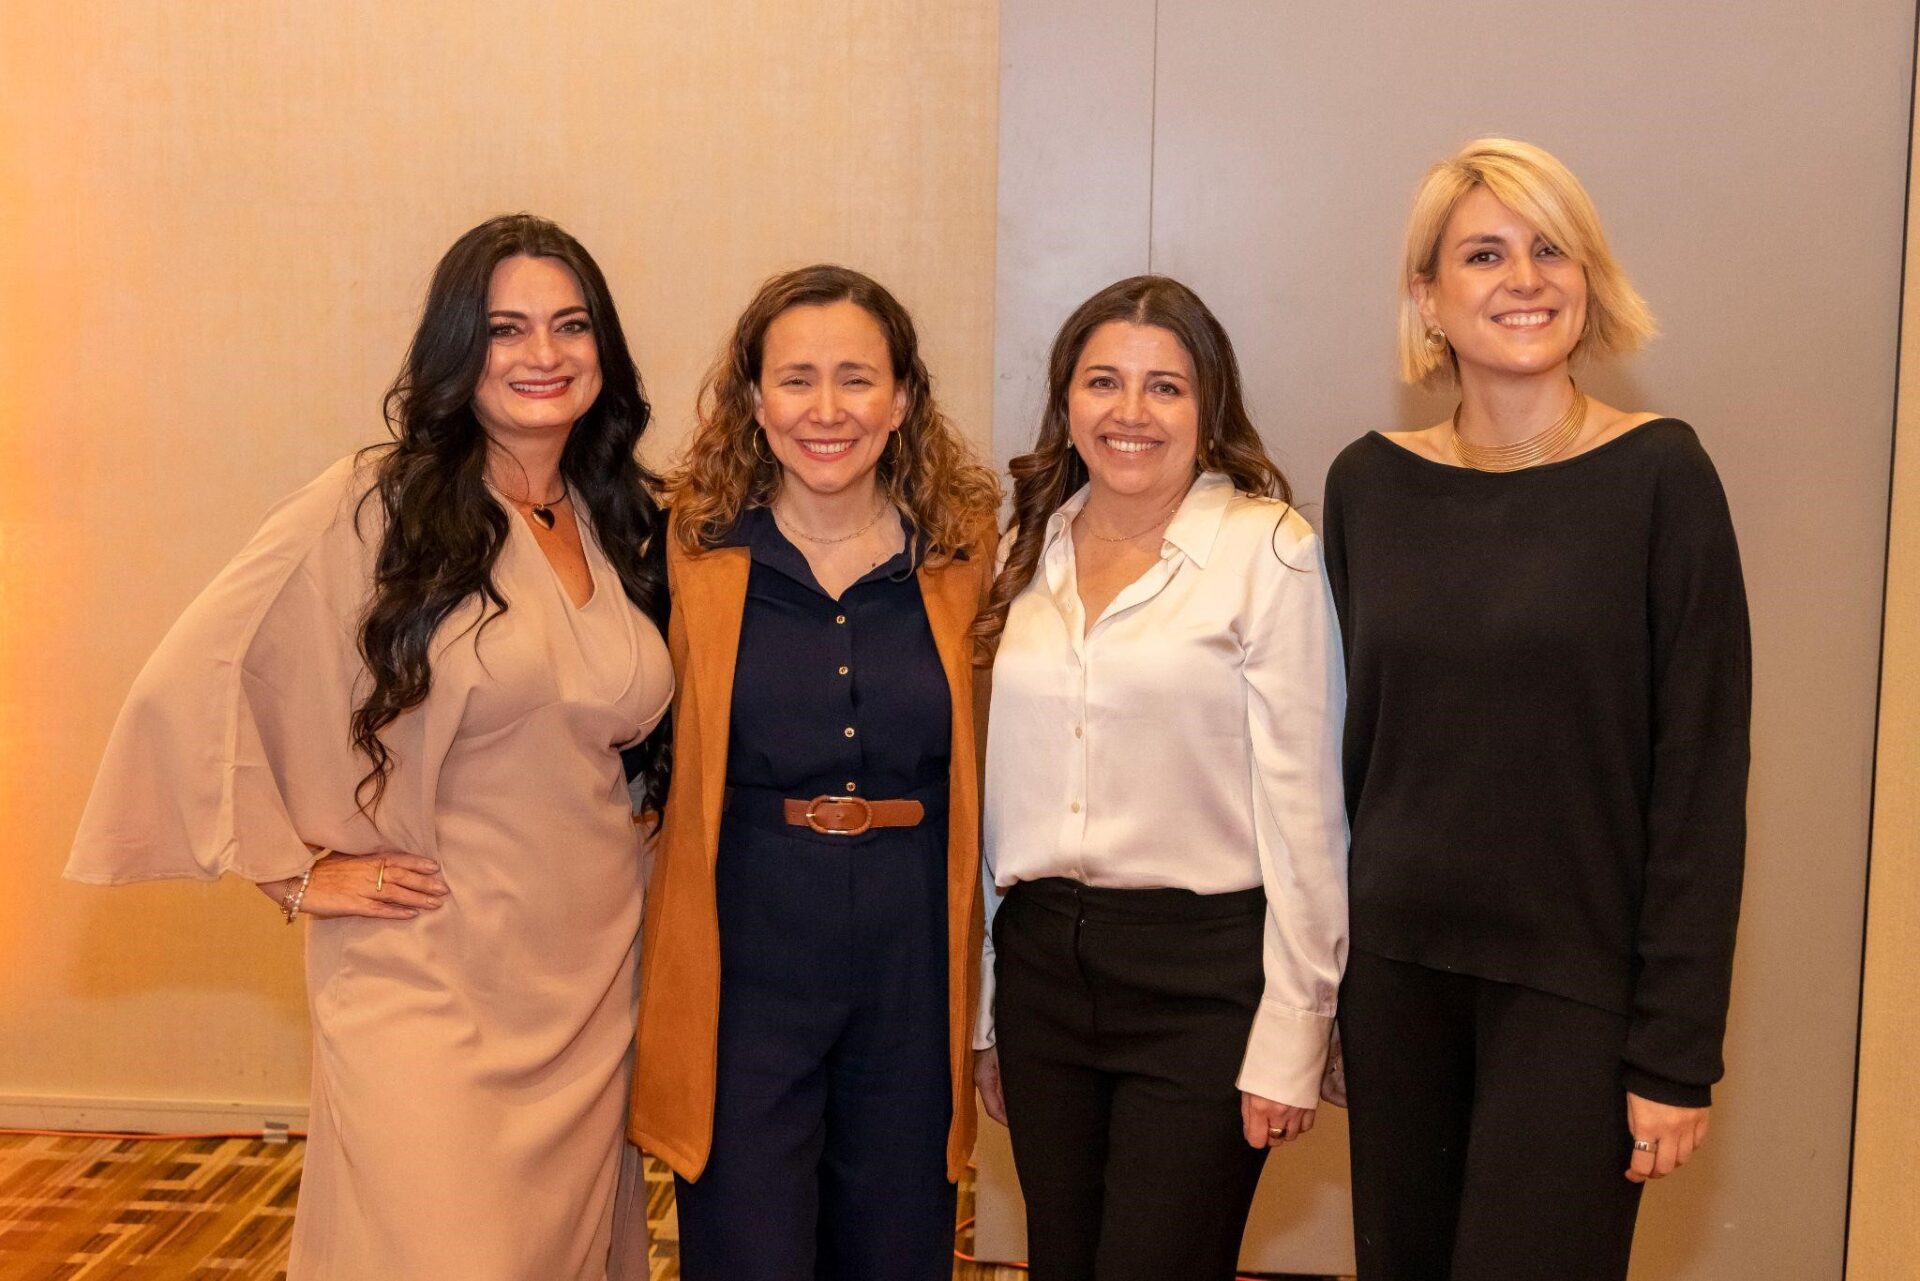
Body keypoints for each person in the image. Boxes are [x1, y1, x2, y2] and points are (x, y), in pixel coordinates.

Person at [65, 214, 672, 1280]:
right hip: (425, 967)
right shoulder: (372, 502)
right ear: (455, 348)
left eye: (571, 326)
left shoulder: (621, 516)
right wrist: (293, 874)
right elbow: (200, 673)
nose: (543, 354)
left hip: (589, 973)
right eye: (505, 329)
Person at [1323, 138, 1752, 1281]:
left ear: (1589, 277)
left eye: (1551, 248)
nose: (1525, 278)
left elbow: (1701, 779)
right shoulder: (1367, 484)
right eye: (1485, 253)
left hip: (1576, 995)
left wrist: (1675, 1050)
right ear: (1429, 296)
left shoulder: (1663, 477)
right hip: (1399, 980)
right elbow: (1347, 760)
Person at [970, 275, 1349, 1281]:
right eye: (1104, 382)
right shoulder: (1025, 546)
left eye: (1165, 387)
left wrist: (1294, 1031)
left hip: (1205, 981)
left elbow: (1309, 816)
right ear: (1067, 402)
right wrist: (986, 1010)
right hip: (1045, 969)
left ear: (1207, 407)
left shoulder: (1267, 550)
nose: (1130, 413)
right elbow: (995, 805)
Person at [628, 264, 1000, 1281]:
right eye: (796, 379)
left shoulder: (966, 555)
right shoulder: (690, 551)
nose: (826, 410)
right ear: (753, 399)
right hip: (745, 942)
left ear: (904, 399)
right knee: (747, 1249)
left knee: (896, 1249)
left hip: (911, 948)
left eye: (856, 379)